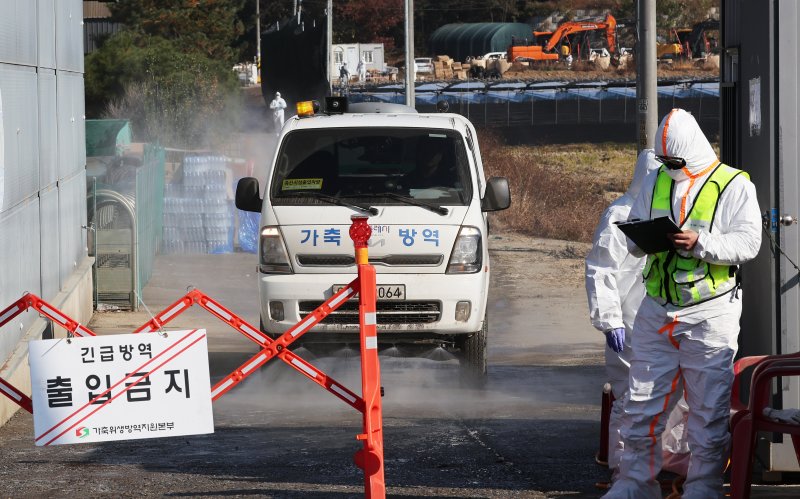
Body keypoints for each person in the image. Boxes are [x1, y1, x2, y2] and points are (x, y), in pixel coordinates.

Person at [603, 108, 762, 498]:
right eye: (664, 161)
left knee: (707, 410)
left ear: (692, 150)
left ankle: (703, 487)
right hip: (657, 308)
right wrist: (641, 238)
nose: (670, 167)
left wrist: (701, 243)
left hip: (710, 311)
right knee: (639, 404)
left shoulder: (733, 184)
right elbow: (637, 225)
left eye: (675, 161)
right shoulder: (657, 179)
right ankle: (633, 484)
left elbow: (749, 243)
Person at [586, 150, 691, 487]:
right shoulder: (620, 216)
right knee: (633, 397)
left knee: (672, 393)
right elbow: (601, 270)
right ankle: (626, 471)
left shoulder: (661, 212)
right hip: (629, 323)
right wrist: (610, 320)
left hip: (660, 316)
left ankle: (663, 462)